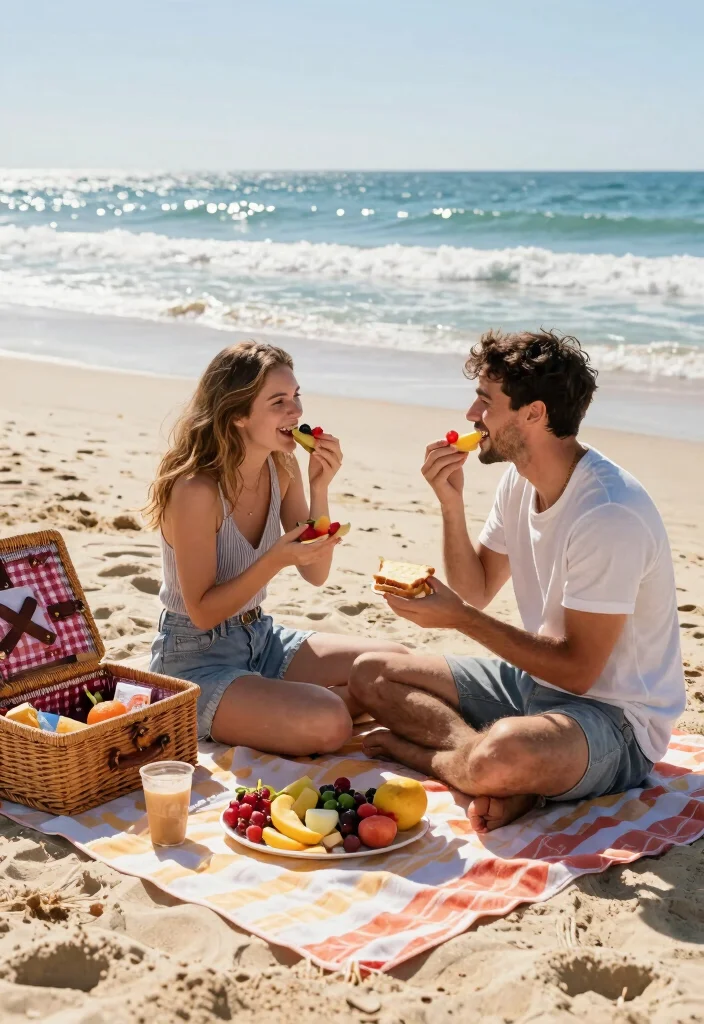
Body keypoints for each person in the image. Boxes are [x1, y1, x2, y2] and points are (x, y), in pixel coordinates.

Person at [349, 329, 685, 831]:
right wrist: (450, 503)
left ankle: (450, 761)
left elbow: (578, 673)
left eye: (485, 402)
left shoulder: (608, 513)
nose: (471, 414)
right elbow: (477, 588)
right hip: (535, 684)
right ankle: (489, 767)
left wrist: (460, 620)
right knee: (371, 674)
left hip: (613, 721)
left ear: (535, 413)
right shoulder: (519, 480)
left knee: (502, 752)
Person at [146, 341, 405, 755]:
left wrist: (320, 487)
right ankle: (292, 707)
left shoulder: (282, 467)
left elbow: (316, 574)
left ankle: (279, 705)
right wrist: (275, 560)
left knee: (399, 667)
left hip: (261, 637)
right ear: (238, 415)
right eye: (278, 401)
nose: (296, 411)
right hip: (195, 658)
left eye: (296, 395)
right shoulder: (196, 491)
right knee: (329, 721)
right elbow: (203, 611)